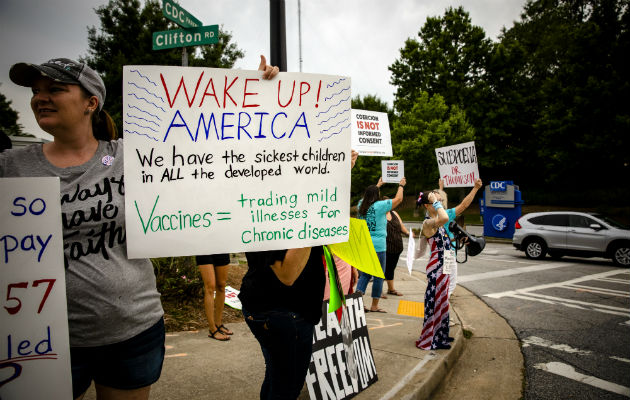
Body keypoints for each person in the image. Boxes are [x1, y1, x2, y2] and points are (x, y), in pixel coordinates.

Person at [1, 55, 279, 400]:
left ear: (91, 102)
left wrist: (259, 93)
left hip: (132, 331)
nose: (40, 97)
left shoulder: (131, 155)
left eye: (55, 89)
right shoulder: (10, 166)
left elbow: (222, 151)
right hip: (40, 339)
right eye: (35, 90)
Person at [356, 176, 406, 312]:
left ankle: (358, 305)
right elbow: (399, 199)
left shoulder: (361, 205)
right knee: (378, 275)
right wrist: (401, 186)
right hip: (379, 246)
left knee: (365, 275)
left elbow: (369, 195)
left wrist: (378, 185)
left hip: (365, 245)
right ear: (377, 196)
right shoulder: (380, 206)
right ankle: (374, 305)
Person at [415, 190, 452, 350]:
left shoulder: (436, 220)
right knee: (435, 302)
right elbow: (444, 217)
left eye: (440, 201)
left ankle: (441, 335)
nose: (440, 204)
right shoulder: (428, 223)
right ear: (427, 205)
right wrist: (436, 202)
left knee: (443, 302)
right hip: (437, 269)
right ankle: (430, 337)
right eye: (436, 201)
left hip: (445, 268)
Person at [435, 178, 483, 298]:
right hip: (448, 254)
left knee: (441, 280)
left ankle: (439, 302)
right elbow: (464, 205)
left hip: (436, 253)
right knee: (450, 283)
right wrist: (475, 188)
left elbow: (437, 202)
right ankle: (443, 305)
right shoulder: (446, 214)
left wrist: (440, 188)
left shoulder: (430, 215)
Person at [195, 254, 233, 341]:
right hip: (204, 250)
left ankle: (218, 324)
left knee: (221, 285)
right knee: (210, 287)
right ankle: (212, 329)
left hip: (220, 248)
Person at [383, 199, 410, 297]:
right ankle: (378, 290)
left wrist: (407, 233)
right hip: (385, 247)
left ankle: (391, 289)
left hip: (396, 247)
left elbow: (401, 226)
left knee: (391, 268)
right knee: (382, 269)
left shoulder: (394, 213)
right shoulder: (379, 215)